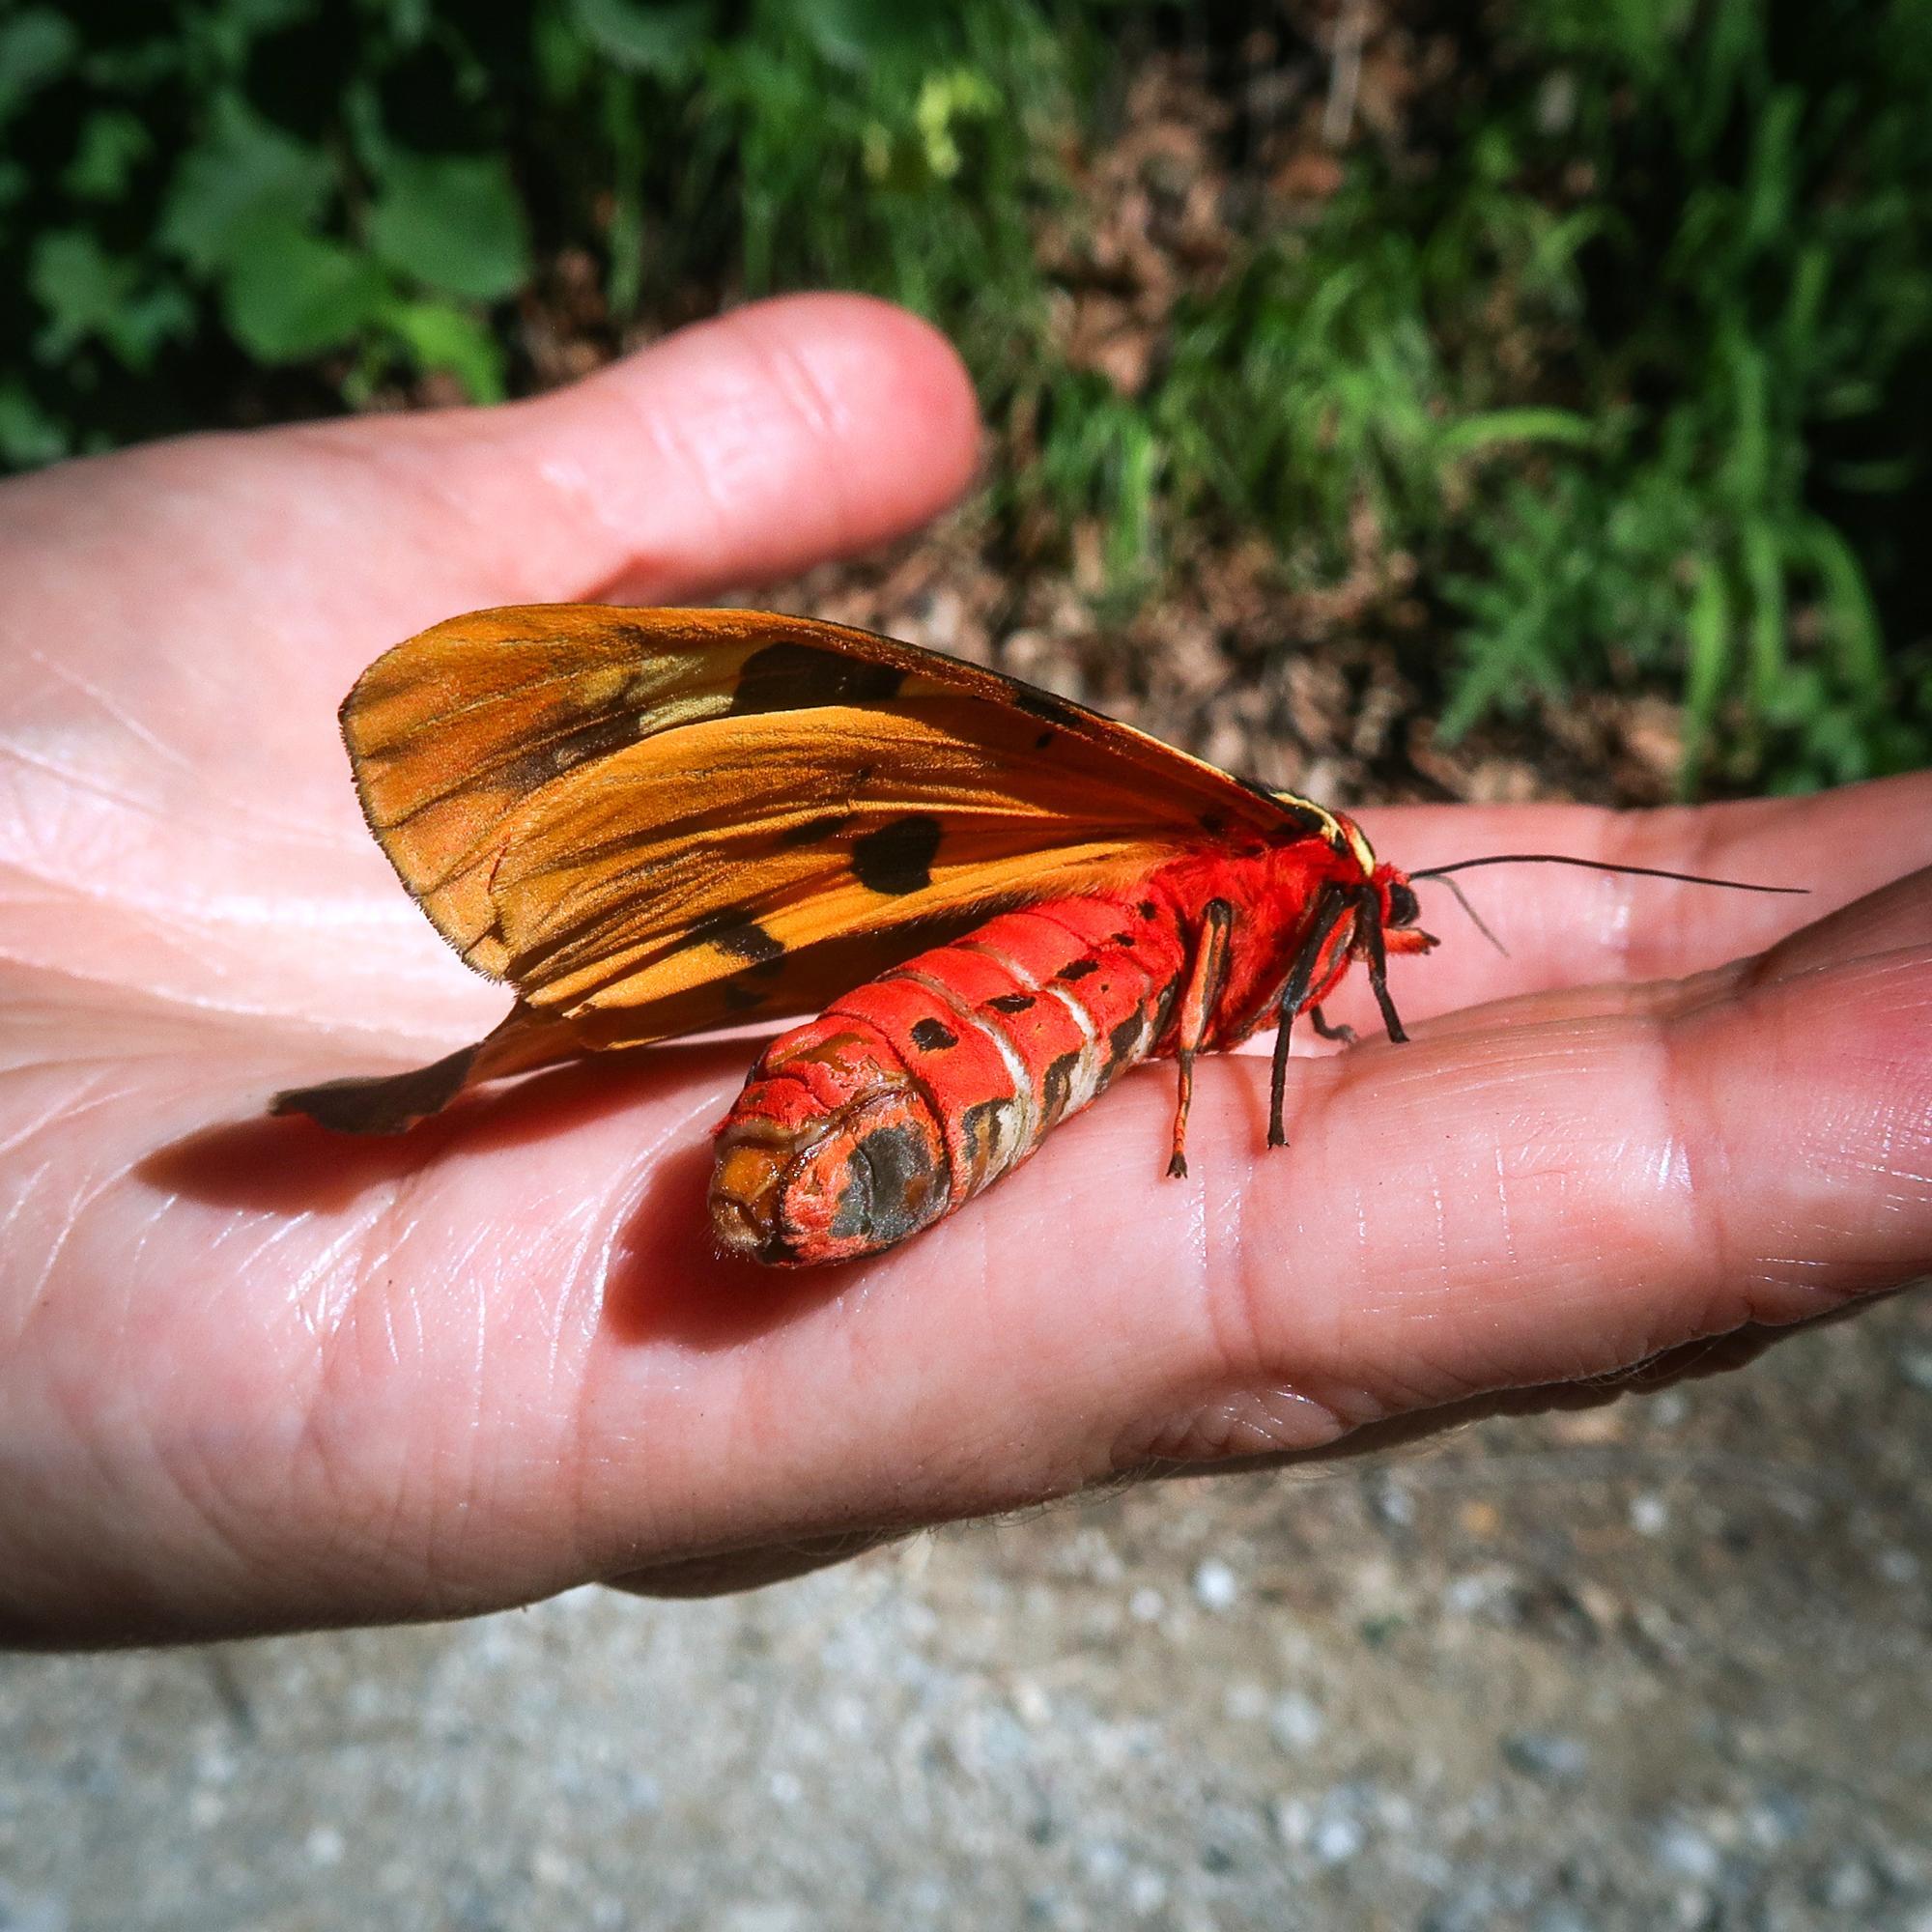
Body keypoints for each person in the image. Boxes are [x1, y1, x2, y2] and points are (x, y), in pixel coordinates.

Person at [0, 295, 1925, 1647]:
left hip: (946, 1046)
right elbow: (1274, 958)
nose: (1367, 938)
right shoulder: (1259, 874)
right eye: (1363, 921)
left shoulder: (1251, 877)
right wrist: (1246, 1079)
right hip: (934, 1062)